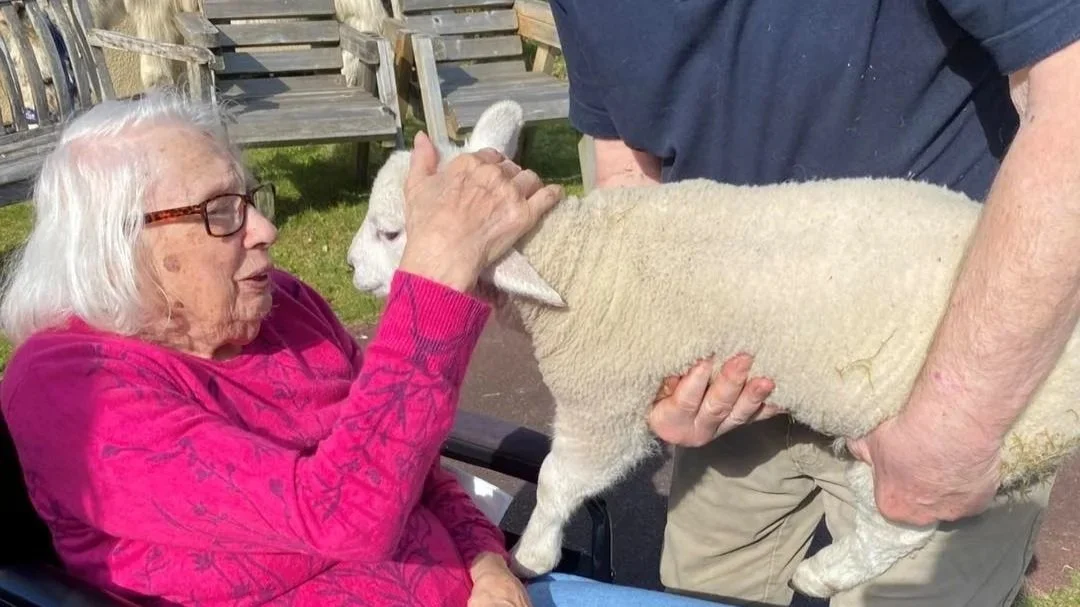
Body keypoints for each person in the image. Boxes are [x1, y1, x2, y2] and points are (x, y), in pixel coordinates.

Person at [0, 90, 726, 607]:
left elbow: (413, 459)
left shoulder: (282, 306)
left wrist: (485, 561)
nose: (263, 232)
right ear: (120, 246)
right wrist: (436, 274)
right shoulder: (73, 386)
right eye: (222, 211)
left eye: (251, 198)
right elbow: (342, 517)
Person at [549, 1, 1080, 606]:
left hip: (927, 366)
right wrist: (655, 370)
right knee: (699, 589)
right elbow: (624, 155)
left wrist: (955, 431)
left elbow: (1070, 87)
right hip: (737, 386)